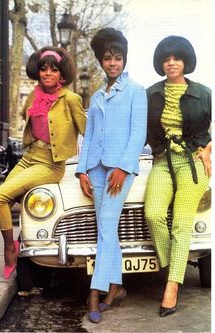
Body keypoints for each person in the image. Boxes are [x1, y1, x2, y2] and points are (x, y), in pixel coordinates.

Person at [0, 46, 86, 279]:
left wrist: (87, 168)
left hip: (50, 165)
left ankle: (10, 247)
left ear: (62, 74)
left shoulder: (71, 99)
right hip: (28, 158)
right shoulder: (33, 96)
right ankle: (6, 246)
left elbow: (89, 132)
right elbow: (28, 121)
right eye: (43, 69)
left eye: (54, 69)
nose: (48, 73)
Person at [76, 27, 147, 323]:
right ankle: (116, 287)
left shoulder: (136, 92)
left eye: (117, 58)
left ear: (124, 60)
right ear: (101, 62)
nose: (113, 63)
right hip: (95, 169)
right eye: (108, 59)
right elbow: (89, 136)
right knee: (108, 230)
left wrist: (122, 167)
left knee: (106, 226)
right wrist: (82, 170)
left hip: (121, 170)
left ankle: (95, 292)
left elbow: (137, 134)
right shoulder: (96, 96)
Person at [145, 36, 211, 317]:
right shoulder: (151, 93)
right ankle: (174, 267)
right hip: (162, 160)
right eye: (166, 59)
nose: (171, 63)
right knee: (153, 213)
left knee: (182, 224)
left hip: (193, 161)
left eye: (177, 58)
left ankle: (171, 288)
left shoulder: (204, 92)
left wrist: (209, 149)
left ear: (185, 62)